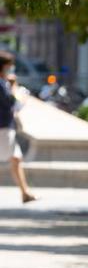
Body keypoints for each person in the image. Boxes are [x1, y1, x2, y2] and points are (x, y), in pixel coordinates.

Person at [0, 51, 36, 203]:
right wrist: (15, 89)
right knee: (11, 158)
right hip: (2, 128)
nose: (11, 69)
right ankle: (25, 192)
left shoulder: (3, 83)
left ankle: (25, 192)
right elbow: (13, 104)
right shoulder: (2, 85)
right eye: (9, 67)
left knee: (16, 159)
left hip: (6, 126)